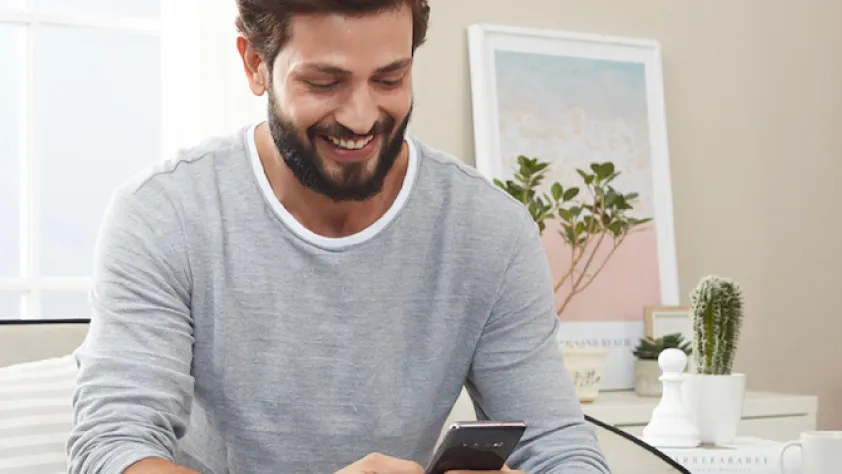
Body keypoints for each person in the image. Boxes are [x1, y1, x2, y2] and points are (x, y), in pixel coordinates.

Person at [66, 1, 612, 473]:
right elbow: (112, 447)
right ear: (256, 65)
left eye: (390, 79)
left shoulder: (490, 231)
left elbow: (561, 448)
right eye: (325, 82)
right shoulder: (166, 214)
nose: (360, 117)